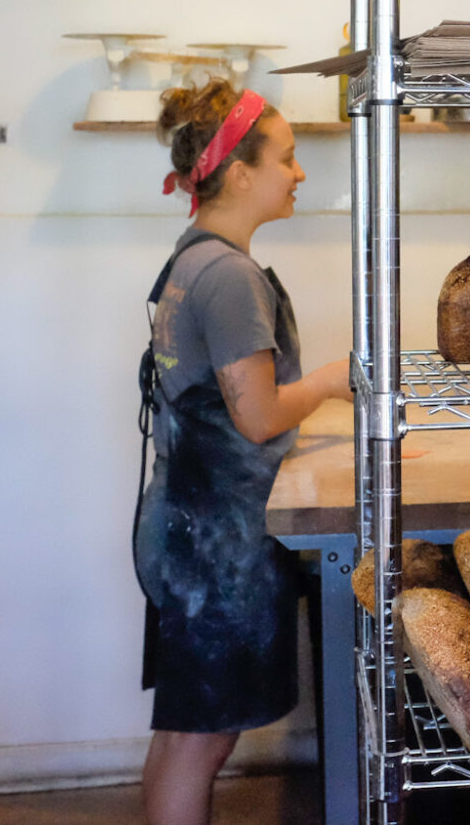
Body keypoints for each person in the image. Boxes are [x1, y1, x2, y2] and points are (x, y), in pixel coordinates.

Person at [134, 82, 351, 825]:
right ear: (240, 171)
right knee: (201, 741)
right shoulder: (228, 275)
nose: (298, 173)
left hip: (187, 530)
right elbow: (256, 415)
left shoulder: (192, 258)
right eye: (287, 159)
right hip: (215, 548)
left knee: (185, 734)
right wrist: (329, 380)